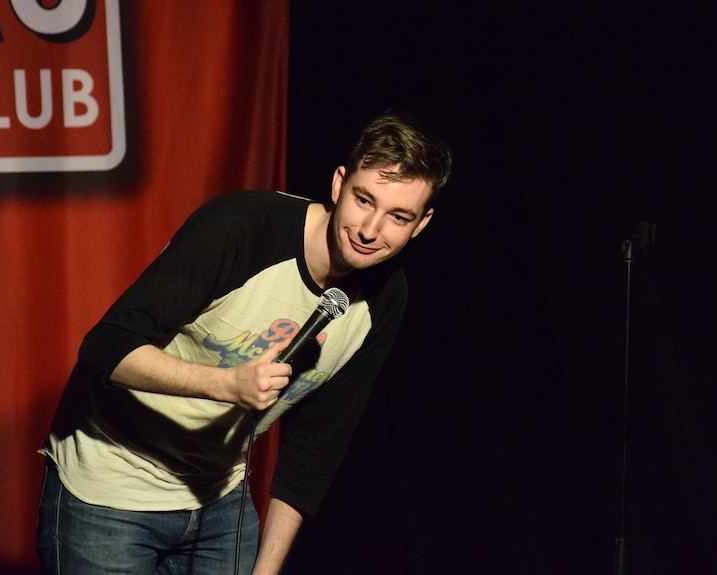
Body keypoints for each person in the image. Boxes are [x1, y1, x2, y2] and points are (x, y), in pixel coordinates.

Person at [36, 109, 452, 575]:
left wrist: (267, 569)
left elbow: (316, 448)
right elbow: (104, 348)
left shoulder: (386, 298)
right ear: (339, 184)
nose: (371, 230)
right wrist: (227, 384)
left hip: (220, 504)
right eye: (363, 200)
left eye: (398, 216)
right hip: (111, 490)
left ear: (421, 224)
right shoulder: (245, 227)